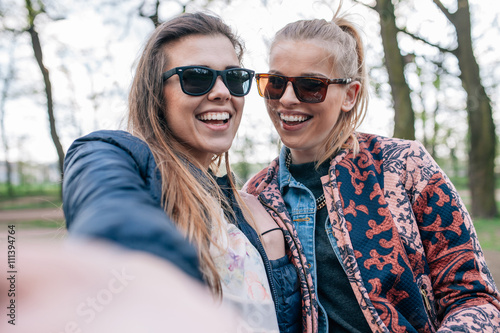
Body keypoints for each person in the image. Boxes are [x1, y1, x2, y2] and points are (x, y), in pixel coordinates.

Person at [243, 5, 500, 333]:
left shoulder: (405, 166)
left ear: (350, 95)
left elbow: (474, 297)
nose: (287, 99)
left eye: (310, 85)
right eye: (276, 82)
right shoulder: (256, 196)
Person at [62, 12, 303, 332]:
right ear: (156, 92)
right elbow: (111, 217)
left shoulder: (244, 204)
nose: (222, 92)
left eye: (234, 78)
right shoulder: (117, 154)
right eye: (196, 77)